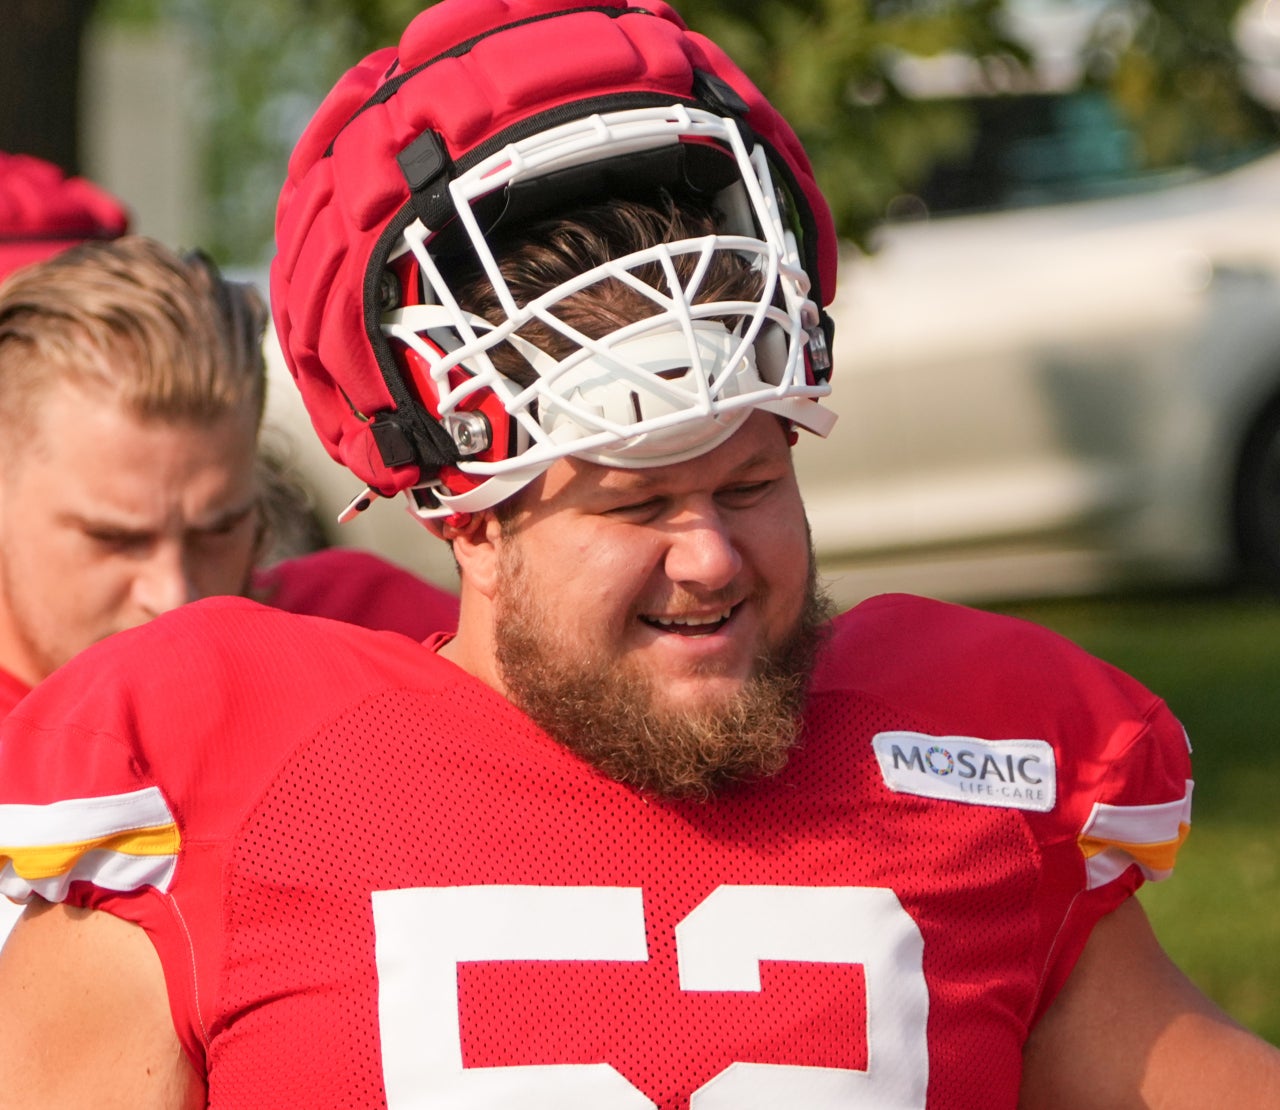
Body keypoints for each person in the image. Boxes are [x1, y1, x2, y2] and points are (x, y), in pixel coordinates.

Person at [0, 2, 1276, 1106]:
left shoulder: (966, 771)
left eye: (749, 483)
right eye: (633, 506)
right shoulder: (234, 782)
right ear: (467, 517)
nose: (712, 558)